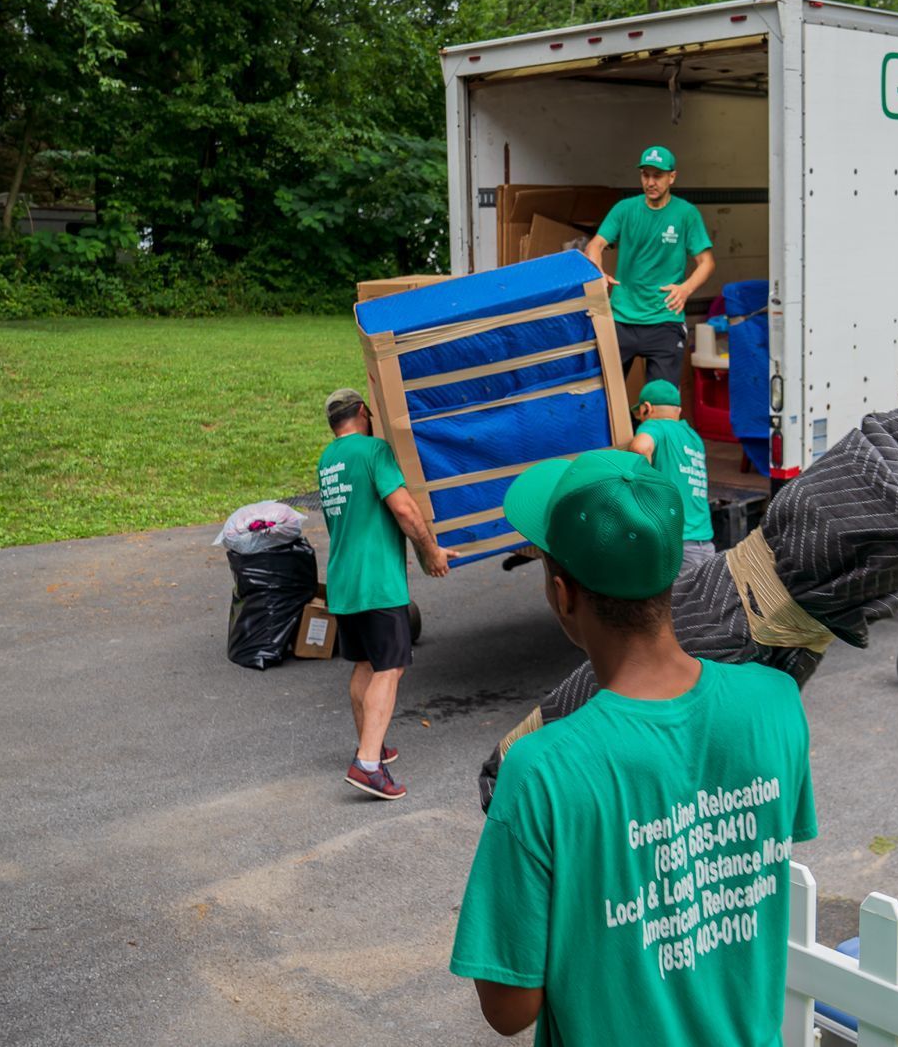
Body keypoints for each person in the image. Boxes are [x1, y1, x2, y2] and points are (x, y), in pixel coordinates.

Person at [450, 450, 816, 1045]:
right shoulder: (776, 704)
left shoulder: (540, 770)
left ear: (563, 594)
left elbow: (509, 1009)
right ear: (674, 571)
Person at [317, 388, 456, 801]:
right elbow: (404, 509)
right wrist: (430, 551)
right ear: (364, 412)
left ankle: (371, 745)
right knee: (390, 667)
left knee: (365, 663)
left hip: (344, 579)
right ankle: (367, 765)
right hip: (377, 581)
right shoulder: (374, 451)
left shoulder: (328, 459)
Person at [584, 146, 715, 387]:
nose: (650, 182)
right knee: (603, 400)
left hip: (665, 320)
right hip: (622, 317)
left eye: (658, 175)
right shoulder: (625, 209)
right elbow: (595, 245)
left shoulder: (686, 214)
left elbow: (706, 263)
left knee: (662, 404)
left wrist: (685, 289)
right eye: (645, 175)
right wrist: (597, 273)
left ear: (672, 177)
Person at [627, 379, 715, 575]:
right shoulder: (693, 437)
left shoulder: (654, 426)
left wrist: (641, 496)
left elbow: (640, 447)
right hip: (705, 544)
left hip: (676, 545)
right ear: (679, 410)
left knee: (669, 605)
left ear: (646, 409)